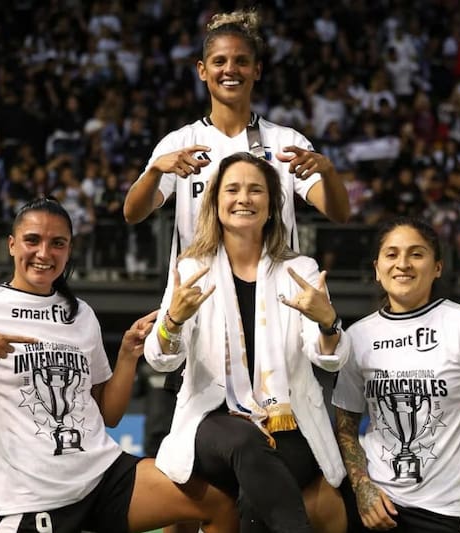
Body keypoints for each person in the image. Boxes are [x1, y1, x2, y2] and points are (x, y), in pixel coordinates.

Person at [0, 197, 238, 533]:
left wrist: (128, 355)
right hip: (33, 499)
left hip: (102, 475)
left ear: (69, 250)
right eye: (32, 241)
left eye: (58, 243)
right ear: (11, 245)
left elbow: (107, 415)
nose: (44, 253)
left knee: (218, 504)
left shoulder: (81, 314)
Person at [123, 6, 349, 462]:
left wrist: (329, 171)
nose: (232, 70)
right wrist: (154, 170)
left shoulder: (286, 142)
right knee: (186, 473)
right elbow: (133, 213)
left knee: (273, 457)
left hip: (274, 313)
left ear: (257, 70)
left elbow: (337, 212)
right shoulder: (180, 143)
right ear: (202, 71)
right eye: (221, 62)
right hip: (201, 314)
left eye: (242, 61)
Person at [144, 152, 351, 533]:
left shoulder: (299, 270)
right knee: (245, 440)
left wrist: (327, 323)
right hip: (213, 422)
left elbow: (329, 360)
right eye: (233, 189)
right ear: (216, 203)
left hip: (290, 424)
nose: (244, 198)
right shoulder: (191, 270)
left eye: (256, 190)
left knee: (256, 495)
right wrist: (172, 321)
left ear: (272, 206)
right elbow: (161, 361)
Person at [332, 216, 460, 533]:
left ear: (437, 267)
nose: (403, 264)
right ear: (376, 268)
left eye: (416, 254)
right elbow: (345, 428)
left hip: (445, 512)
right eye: (392, 254)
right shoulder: (357, 337)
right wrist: (362, 487)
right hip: (376, 508)